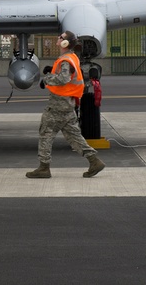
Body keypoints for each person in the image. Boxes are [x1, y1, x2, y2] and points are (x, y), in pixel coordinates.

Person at [26, 31, 106, 178]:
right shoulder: (71, 57)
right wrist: (52, 71)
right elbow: (66, 75)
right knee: (74, 136)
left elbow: (63, 79)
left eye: (61, 37)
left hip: (58, 104)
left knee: (46, 132)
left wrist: (47, 79)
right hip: (67, 103)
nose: (58, 38)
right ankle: (94, 161)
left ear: (65, 43)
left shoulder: (66, 60)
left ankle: (44, 167)